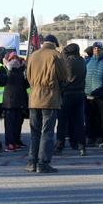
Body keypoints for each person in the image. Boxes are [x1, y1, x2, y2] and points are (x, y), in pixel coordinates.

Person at [25, 34, 67, 173]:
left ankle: (32, 162)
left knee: (34, 132)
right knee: (47, 132)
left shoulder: (33, 55)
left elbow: (29, 77)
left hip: (34, 97)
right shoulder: (56, 55)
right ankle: (43, 163)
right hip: (49, 97)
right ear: (54, 43)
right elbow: (63, 75)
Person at [56, 43, 86, 156]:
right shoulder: (82, 61)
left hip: (67, 94)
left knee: (63, 122)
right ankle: (82, 146)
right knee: (79, 122)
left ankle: (59, 145)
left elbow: (63, 77)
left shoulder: (68, 61)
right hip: (79, 94)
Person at [2, 51, 28, 151]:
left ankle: (16, 141)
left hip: (19, 100)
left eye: (16, 58)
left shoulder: (20, 71)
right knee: (10, 124)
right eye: (12, 58)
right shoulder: (7, 70)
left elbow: (25, 85)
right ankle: (10, 143)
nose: (15, 60)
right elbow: (6, 80)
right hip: (9, 101)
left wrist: (25, 69)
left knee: (17, 123)